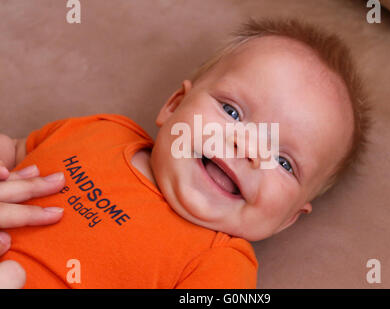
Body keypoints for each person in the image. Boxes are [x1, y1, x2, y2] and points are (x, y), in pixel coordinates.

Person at [0, 17, 369, 288]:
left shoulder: (218, 262)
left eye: (284, 162)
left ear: (288, 218)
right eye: (232, 112)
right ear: (174, 105)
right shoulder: (101, 131)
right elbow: (16, 150)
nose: (249, 148)